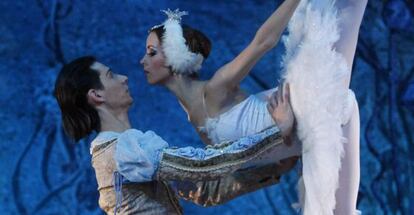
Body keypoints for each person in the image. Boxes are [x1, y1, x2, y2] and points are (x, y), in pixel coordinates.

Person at [139, 0, 367, 213]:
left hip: (306, 98)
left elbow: (263, 41)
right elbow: (236, 172)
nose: (143, 61)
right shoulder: (195, 117)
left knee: (339, 12)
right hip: (305, 131)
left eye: (152, 52)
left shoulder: (215, 89)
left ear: (174, 57)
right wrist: (279, 151)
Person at [54, 56, 297, 214]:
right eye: (111, 75)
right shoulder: (125, 150)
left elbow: (201, 190)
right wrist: (276, 132)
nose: (124, 77)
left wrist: (273, 168)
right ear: (96, 95)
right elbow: (203, 166)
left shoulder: (122, 152)